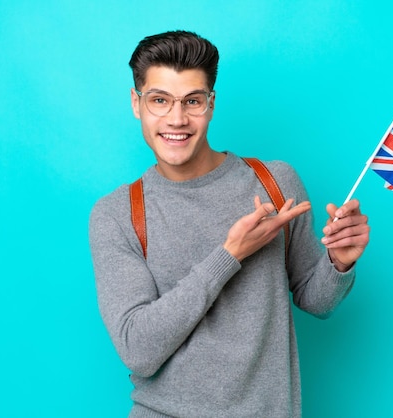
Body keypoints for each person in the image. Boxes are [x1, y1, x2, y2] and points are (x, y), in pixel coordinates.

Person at [89, 30, 370, 418]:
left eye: (192, 101)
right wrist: (230, 254)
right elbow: (138, 351)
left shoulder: (274, 182)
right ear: (136, 104)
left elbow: (316, 300)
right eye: (159, 101)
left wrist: (339, 263)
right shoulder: (118, 213)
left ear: (211, 103)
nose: (177, 119)